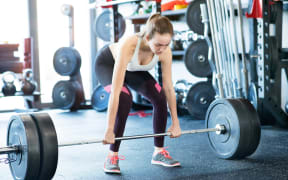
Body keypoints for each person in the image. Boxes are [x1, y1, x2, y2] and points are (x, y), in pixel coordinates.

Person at [95, 13, 182, 174]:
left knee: (160, 97)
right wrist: (109, 129)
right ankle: (112, 155)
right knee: (125, 98)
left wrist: (175, 122)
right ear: (148, 37)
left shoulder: (165, 51)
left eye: (166, 44)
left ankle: (159, 152)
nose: (162, 49)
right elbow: (115, 91)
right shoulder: (129, 45)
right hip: (108, 63)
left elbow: (169, 88)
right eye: (158, 45)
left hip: (133, 69)